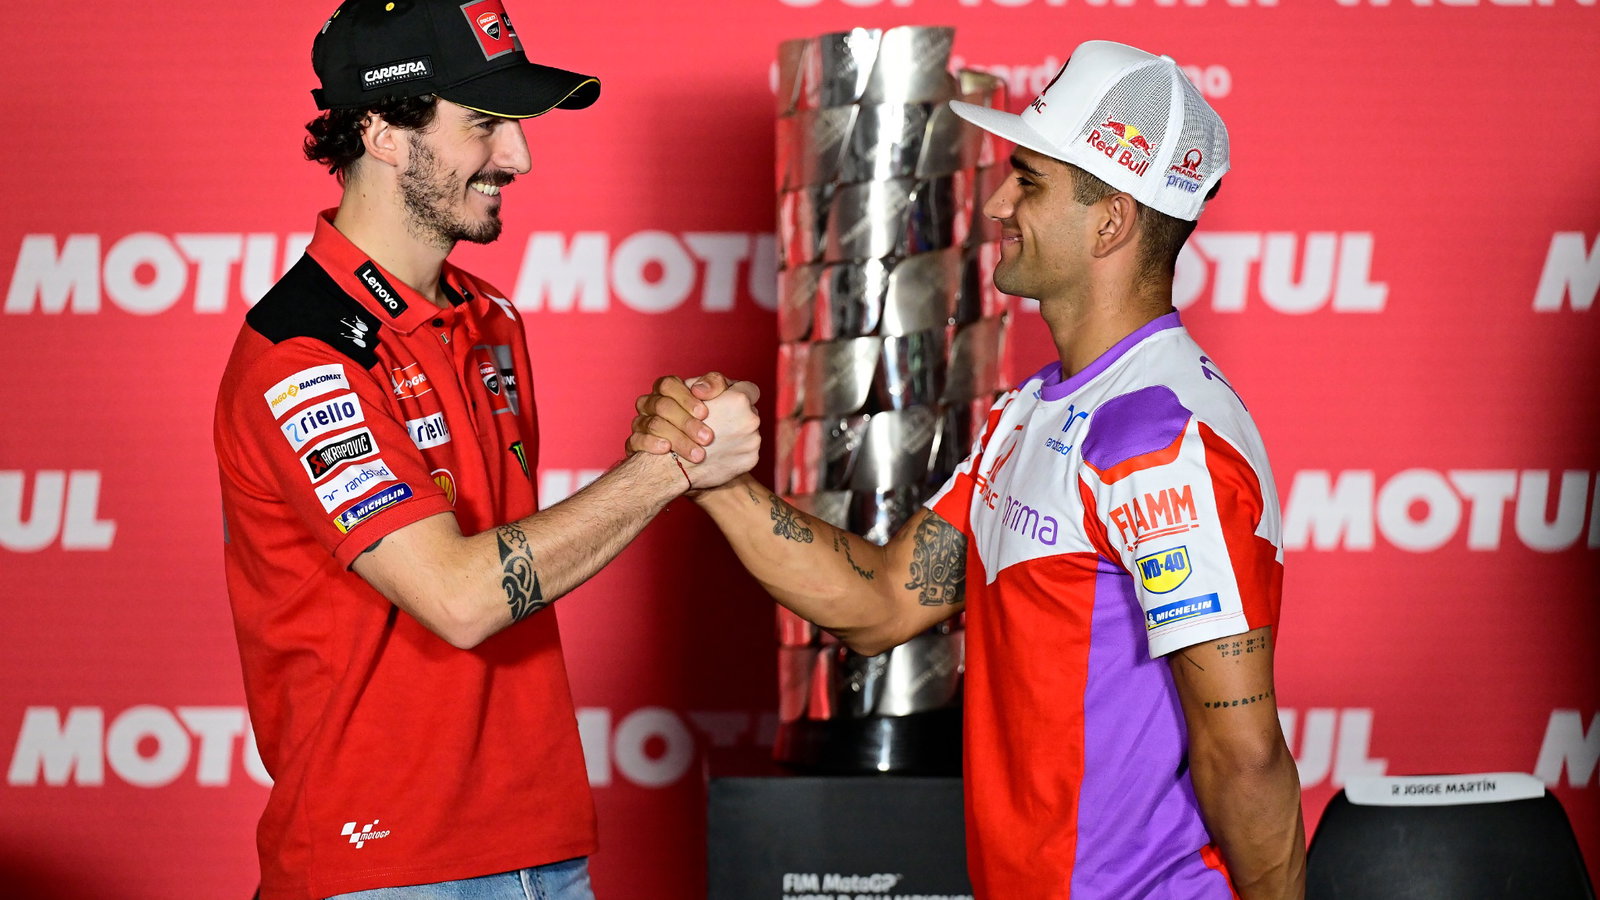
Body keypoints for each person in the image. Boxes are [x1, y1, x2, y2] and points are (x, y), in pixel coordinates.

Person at [633, 41, 1305, 899]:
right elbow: (879, 602)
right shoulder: (1031, 412)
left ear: (1111, 221)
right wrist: (717, 479)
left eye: (1027, 180)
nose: (995, 202)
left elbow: (1243, 757)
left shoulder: (1164, 442)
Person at [212, 2, 758, 898]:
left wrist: (669, 447)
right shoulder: (304, 352)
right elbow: (460, 598)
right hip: (382, 864)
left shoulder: (490, 318)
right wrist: (672, 464)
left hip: (543, 844)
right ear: (383, 131)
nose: (519, 157)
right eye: (485, 124)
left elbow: (520, 558)